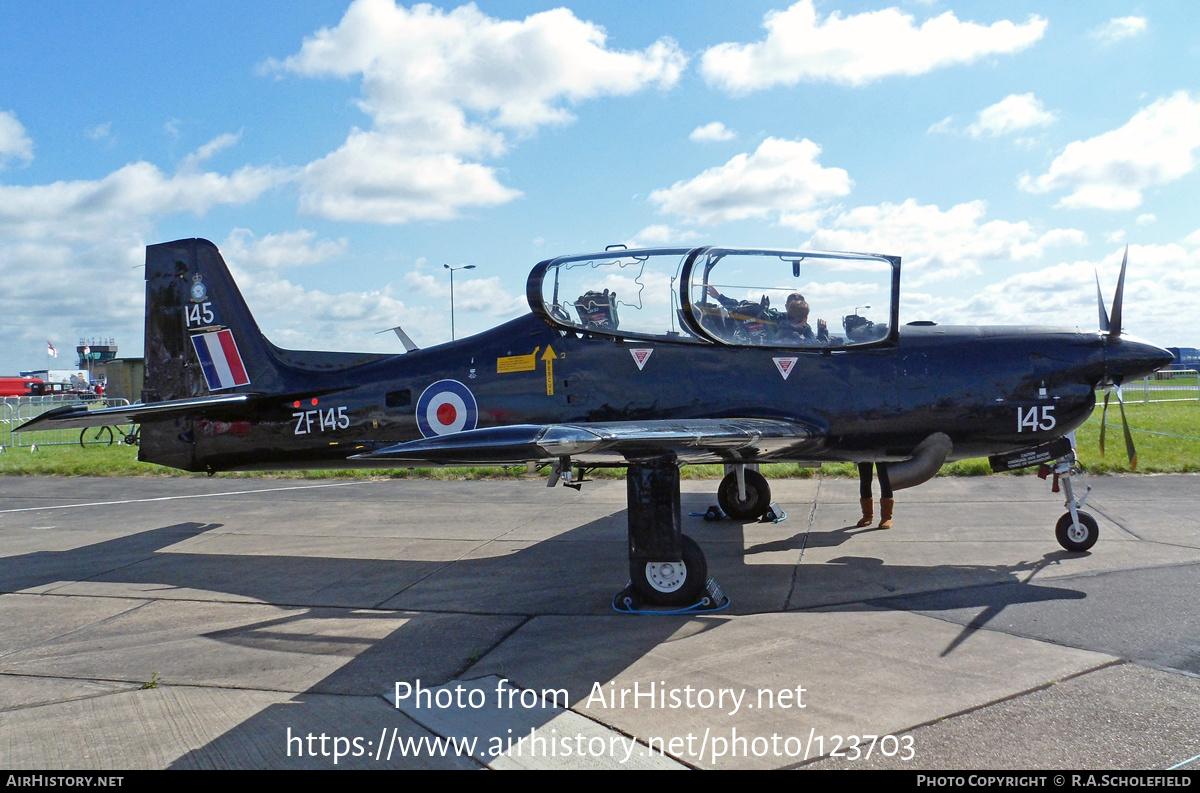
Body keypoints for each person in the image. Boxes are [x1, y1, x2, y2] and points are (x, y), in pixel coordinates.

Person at [856, 462, 893, 529]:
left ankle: (886, 517)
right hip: (864, 452)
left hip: (882, 452)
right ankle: (867, 516)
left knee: (885, 478)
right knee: (865, 479)